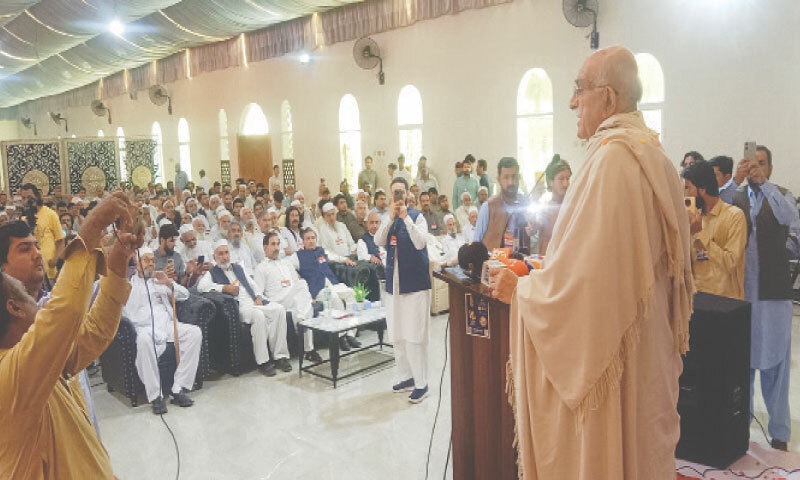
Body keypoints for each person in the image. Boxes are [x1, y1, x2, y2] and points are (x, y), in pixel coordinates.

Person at [489, 46, 693, 479]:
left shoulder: (614, 161)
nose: (571, 102)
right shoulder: (652, 154)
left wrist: (522, 292)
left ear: (609, 98)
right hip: (644, 355)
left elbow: (588, 290)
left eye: (579, 89)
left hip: (617, 363)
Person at [0, 192, 139, 478]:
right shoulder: (12, 375)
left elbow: (94, 333)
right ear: (14, 308)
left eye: (37, 246)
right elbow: (64, 316)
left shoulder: (38, 364)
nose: (38, 254)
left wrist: (118, 261)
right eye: (25, 249)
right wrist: (89, 231)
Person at [731, 145, 800, 451]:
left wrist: (765, 185)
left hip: (774, 296)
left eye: (761, 164)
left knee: (777, 366)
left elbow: (790, 219)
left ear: (770, 168)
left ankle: (780, 433)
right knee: (741, 365)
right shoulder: (737, 197)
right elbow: (713, 213)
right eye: (751, 163)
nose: (756, 169)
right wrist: (736, 181)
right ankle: (738, 428)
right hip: (743, 296)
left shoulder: (782, 195)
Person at [197, 240, 291, 377]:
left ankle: (280, 357)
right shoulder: (212, 273)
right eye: (221, 254)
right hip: (240, 307)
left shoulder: (238, 267)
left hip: (253, 301)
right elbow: (201, 287)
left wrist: (258, 295)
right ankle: (263, 362)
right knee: (258, 316)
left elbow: (252, 283)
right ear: (215, 256)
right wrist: (223, 288)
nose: (225, 257)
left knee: (279, 310)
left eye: (226, 253)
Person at [375, 176, 431, 403]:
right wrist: (390, 217)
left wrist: (406, 217)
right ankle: (406, 377)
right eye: (394, 192)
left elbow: (421, 243)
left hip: (415, 285)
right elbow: (379, 240)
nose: (398, 196)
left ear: (408, 194)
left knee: (414, 336)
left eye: (401, 192)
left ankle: (422, 383)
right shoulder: (388, 219)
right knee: (397, 334)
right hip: (394, 285)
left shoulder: (418, 217)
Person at [124, 247, 201, 414]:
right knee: (143, 340)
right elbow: (128, 313)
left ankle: (178, 388)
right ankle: (155, 396)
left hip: (167, 326)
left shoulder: (160, 281)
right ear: (137, 263)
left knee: (195, 333)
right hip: (145, 329)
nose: (151, 264)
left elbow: (185, 295)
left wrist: (169, 283)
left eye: (152, 260)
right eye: (146, 260)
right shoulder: (130, 286)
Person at [682, 161, 747, 299]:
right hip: (694, 297)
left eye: (688, 188)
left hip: (723, 302)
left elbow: (731, 263)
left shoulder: (734, 216)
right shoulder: (692, 217)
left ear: (703, 189)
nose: (684, 194)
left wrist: (698, 234)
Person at [254, 232, 320, 362]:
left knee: (301, 286)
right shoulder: (261, 268)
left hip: (292, 299)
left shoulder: (286, 263)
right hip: (277, 301)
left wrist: (306, 298)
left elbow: (296, 283)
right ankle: (302, 325)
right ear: (265, 247)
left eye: (278, 244)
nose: (276, 248)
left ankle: (308, 348)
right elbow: (258, 293)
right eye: (273, 244)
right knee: (302, 286)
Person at [294, 228, 360, 351]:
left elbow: (335, 257)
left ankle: (350, 334)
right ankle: (341, 338)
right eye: (307, 239)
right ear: (302, 242)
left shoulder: (321, 251)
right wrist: (296, 275)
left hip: (333, 284)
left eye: (313, 238)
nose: (311, 241)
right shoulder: (298, 256)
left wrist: (345, 259)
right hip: (318, 289)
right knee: (335, 299)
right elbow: (287, 267)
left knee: (352, 294)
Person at [473, 157, 528, 249]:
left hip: (521, 261)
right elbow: (476, 245)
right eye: (506, 177)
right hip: (494, 261)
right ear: (499, 179)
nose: (511, 182)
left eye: (514, 177)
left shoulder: (525, 205)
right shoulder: (488, 207)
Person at [19, 183, 65, 281]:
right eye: (23, 198)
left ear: (37, 196)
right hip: (31, 270)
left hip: (49, 271)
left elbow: (60, 241)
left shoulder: (50, 214)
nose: (27, 201)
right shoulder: (23, 219)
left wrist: (55, 260)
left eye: (29, 197)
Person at [529, 155, 572, 255]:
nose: (566, 184)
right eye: (561, 179)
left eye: (568, 179)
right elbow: (532, 228)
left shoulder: (575, 208)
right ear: (550, 181)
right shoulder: (544, 209)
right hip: (547, 264)